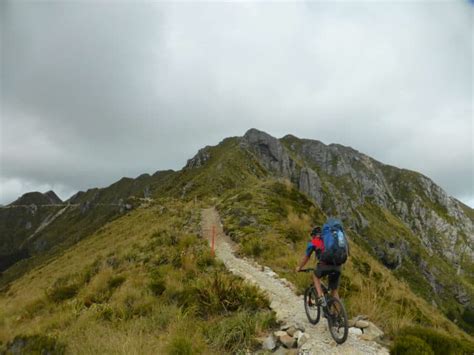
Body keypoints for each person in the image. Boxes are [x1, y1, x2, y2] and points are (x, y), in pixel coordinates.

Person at [296, 226, 342, 306]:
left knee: (315, 275)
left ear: (314, 235)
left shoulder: (315, 241)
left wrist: (299, 267)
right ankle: (338, 316)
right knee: (334, 290)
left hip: (325, 265)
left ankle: (321, 298)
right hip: (337, 266)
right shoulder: (330, 240)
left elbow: (306, 257)